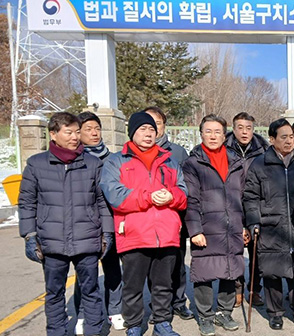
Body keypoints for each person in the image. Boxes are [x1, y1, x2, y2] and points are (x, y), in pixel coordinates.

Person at [19, 111, 113, 336]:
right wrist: (30, 235)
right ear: (53, 134)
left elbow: (102, 201)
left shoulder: (91, 163)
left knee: (91, 290)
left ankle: (94, 330)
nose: (74, 137)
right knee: (54, 293)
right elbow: (26, 202)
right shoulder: (36, 164)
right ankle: (57, 332)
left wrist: (107, 233)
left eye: (77, 132)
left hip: (87, 239)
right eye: (68, 132)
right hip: (52, 243)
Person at [100, 111, 188, 336]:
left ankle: (162, 322)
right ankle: (134, 325)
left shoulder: (169, 160)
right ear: (132, 133)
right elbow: (115, 195)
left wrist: (171, 196)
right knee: (133, 286)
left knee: (163, 285)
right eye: (143, 129)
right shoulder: (117, 160)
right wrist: (149, 196)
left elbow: (183, 192)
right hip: (134, 233)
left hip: (166, 233)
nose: (149, 134)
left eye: (152, 129)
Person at [243, 118, 294, 332]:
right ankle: (275, 313)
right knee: (272, 273)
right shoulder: (259, 164)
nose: (289, 141)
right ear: (272, 139)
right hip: (270, 226)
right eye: (283, 137)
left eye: (291, 137)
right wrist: (253, 222)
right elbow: (250, 196)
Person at [182, 115, 246, 336]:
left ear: (224, 135)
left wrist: (245, 224)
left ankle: (224, 312)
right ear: (201, 134)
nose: (212, 135)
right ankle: (206, 316)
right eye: (208, 131)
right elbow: (191, 200)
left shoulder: (236, 162)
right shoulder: (193, 163)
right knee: (204, 273)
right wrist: (195, 230)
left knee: (230, 271)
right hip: (207, 227)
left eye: (217, 131)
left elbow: (243, 196)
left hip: (232, 226)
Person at [73, 112, 124, 334]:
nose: (94, 133)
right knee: (85, 271)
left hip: (109, 222)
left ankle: (115, 310)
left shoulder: (112, 158)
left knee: (113, 269)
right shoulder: (74, 160)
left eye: (97, 128)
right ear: (78, 133)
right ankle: (84, 314)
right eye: (88, 129)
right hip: (84, 224)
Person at [142, 106, 194, 321]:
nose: (154, 128)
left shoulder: (178, 152)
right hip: (147, 220)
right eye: (149, 124)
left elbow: (186, 187)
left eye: (158, 123)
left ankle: (179, 301)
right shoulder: (136, 153)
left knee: (177, 262)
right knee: (153, 265)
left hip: (174, 219)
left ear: (164, 126)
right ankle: (158, 305)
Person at [225, 112, 269, 307]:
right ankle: (237, 288)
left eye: (248, 128)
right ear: (234, 129)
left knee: (256, 252)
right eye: (240, 127)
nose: (244, 131)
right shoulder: (223, 149)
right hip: (231, 204)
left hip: (255, 205)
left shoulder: (263, 150)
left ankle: (255, 289)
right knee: (234, 251)